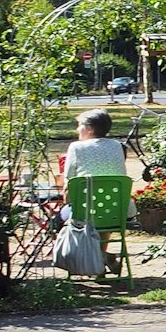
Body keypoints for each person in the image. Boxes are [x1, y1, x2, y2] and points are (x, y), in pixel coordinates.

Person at [61, 108, 129, 272]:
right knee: (102, 213)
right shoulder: (117, 146)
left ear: (89, 129)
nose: (78, 129)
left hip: (85, 212)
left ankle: (96, 260)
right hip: (118, 212)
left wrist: (67, 200)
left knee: (64, 216)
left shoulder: (76, 148)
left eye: (80, 125)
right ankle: (102, 258)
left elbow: (69, 182)